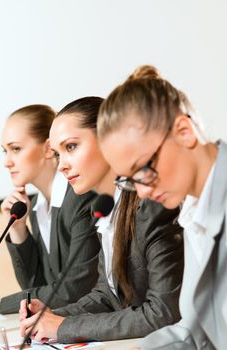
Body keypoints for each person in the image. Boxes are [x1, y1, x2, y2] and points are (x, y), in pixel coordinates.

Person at [19, 96, 184, 343]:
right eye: (57, 154)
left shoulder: (152, 205)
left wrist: (64, 327)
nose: (62, 166)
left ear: (108, 140)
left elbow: (162, 313)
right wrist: (49, 317)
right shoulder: (108, 208)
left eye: (71, 147)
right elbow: (108, 295)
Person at [98, 65, 226, 349]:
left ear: (184, 131)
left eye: (143, 169)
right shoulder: (193, 214)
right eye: (129, 180)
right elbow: (194, 332)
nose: (142, 191)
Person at [0, 104, 100, 316]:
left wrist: (0, 305)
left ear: (48, 148)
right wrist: (18, 230)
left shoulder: (80, 199)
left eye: (16, 149)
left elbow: (74, 289)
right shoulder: (39, 206)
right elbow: (35, 285)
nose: (7, 162)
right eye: (5, 151)